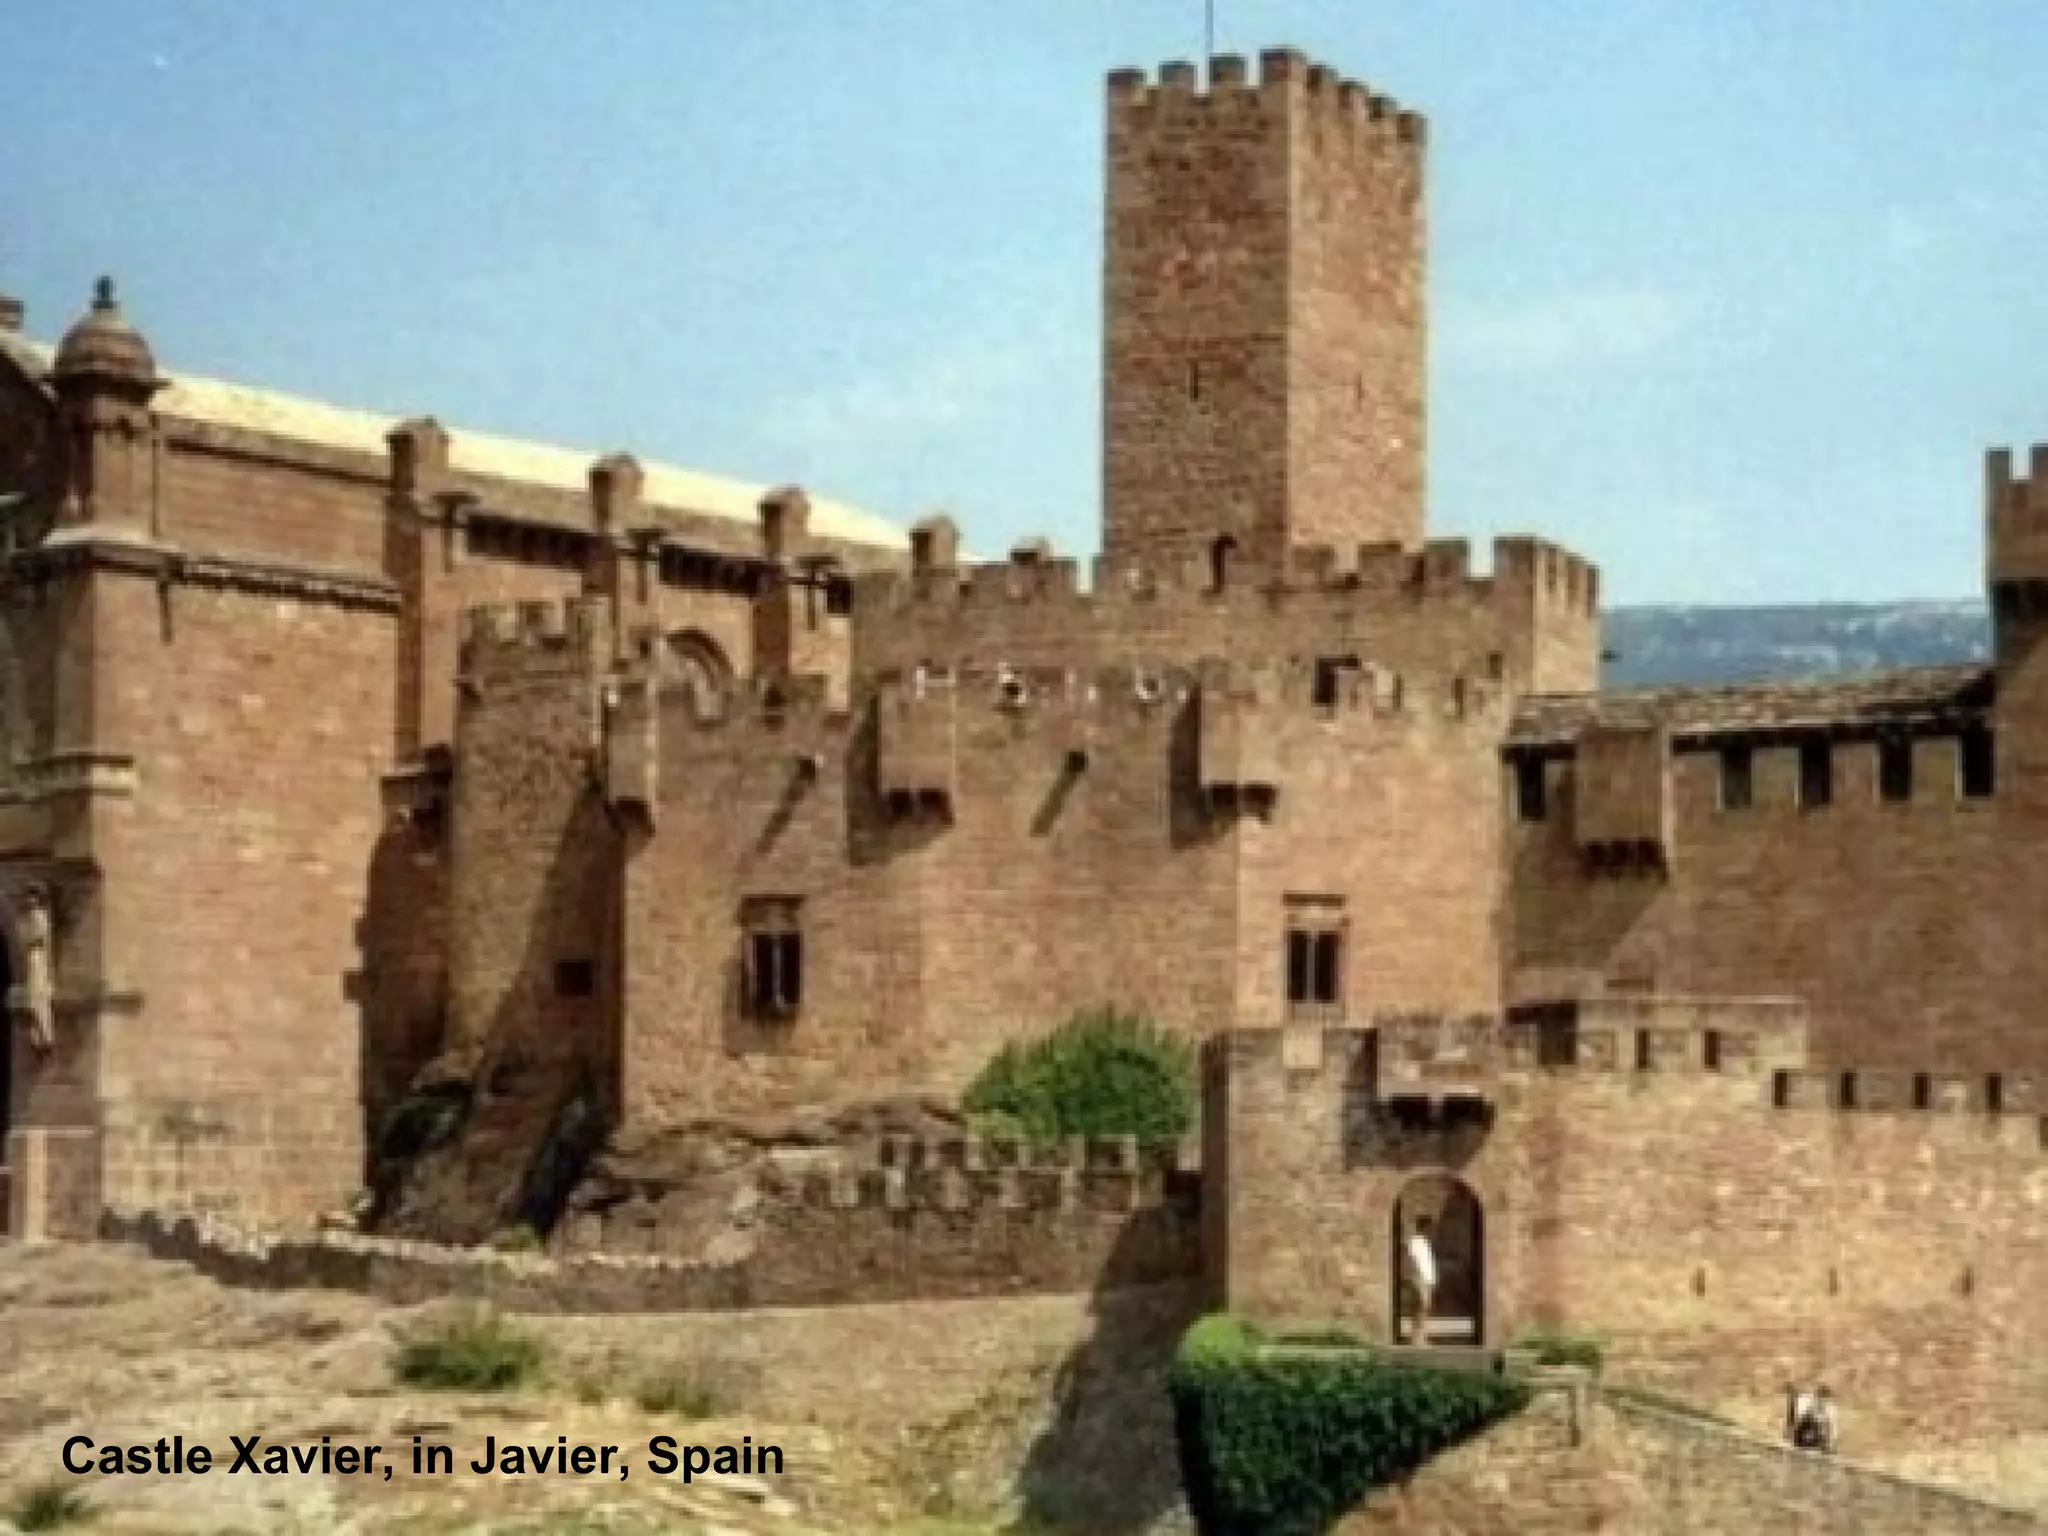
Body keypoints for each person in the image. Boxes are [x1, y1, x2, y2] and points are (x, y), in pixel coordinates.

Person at [1404, 1216, 1438, 1345]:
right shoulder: (1415, 1242)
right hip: (1419, 1278)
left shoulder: (1424, 1242)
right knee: (1421, 1307)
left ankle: (1421, 1336)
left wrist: (1432, 1279)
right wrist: (1415, 1278)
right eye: (1430, 1228)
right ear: (1424, 1228)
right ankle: (1417, 1338)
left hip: (1425, 1279)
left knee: (1424, 1308)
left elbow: (1427, 1262)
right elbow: (1414, 1261)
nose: (1432, 1231)